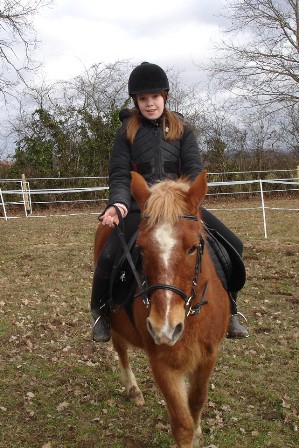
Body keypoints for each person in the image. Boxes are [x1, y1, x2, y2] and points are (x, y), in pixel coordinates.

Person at [90, 62, 249, 343]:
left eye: (154, 97)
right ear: (136, 101)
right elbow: (119, 174)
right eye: (143, 99)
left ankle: (232, 308)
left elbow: (193, 170)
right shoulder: (126, 132)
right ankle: (100, 311)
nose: (150, 104)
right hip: (142, 207)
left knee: (232, 244)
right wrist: (117, 205)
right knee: (109, 254)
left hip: (178, 208)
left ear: (165, 96)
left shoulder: (183, 130)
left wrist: (182, 201)